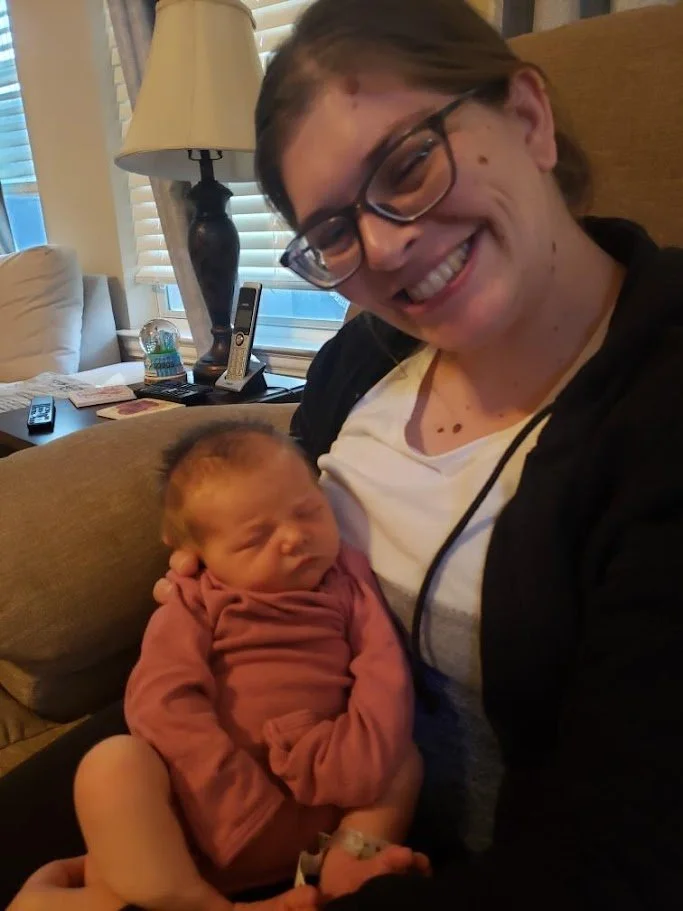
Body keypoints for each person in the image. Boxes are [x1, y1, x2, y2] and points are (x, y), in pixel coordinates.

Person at [4, 0, 683, 908]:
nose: (386, 246)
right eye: (332, 231)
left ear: (527, 117)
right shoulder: (368, 354)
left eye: (408, 164)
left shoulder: (655, 409)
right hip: (211, 768)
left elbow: (620, 859)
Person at [71, 420, 425, 911]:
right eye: (255, 539)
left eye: (309, 511)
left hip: (326, 785)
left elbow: (383, 671)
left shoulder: (346, 580)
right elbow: (161, 700)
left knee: (403, 759)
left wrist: (359, 759)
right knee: (111, 767)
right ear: (195, 555)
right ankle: (199, 903)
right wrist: (230, 794)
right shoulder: (196, 602)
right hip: (204, 813)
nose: (294, 537)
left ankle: (350, 863)